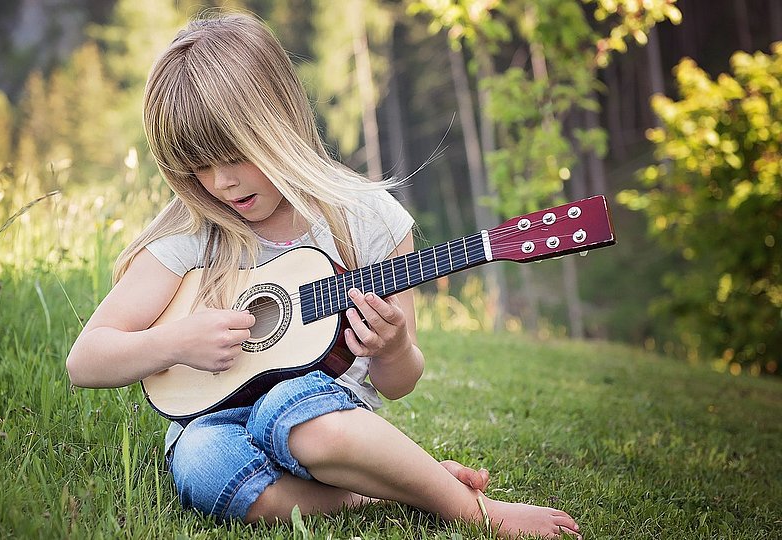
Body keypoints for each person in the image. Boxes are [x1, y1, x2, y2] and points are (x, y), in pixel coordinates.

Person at [65, 12, 581, 539]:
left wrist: (393, 349)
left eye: (235, 155)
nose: (220, 182)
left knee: (293, 407)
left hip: (325, 419)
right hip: (214, 421)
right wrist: (173, 341)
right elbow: (85, 361)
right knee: (199, 463)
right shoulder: (193, 233)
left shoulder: (366, 217)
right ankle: (378, 490)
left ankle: (475, 511)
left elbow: (398, 384)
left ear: (278, 121)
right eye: (198, 165)